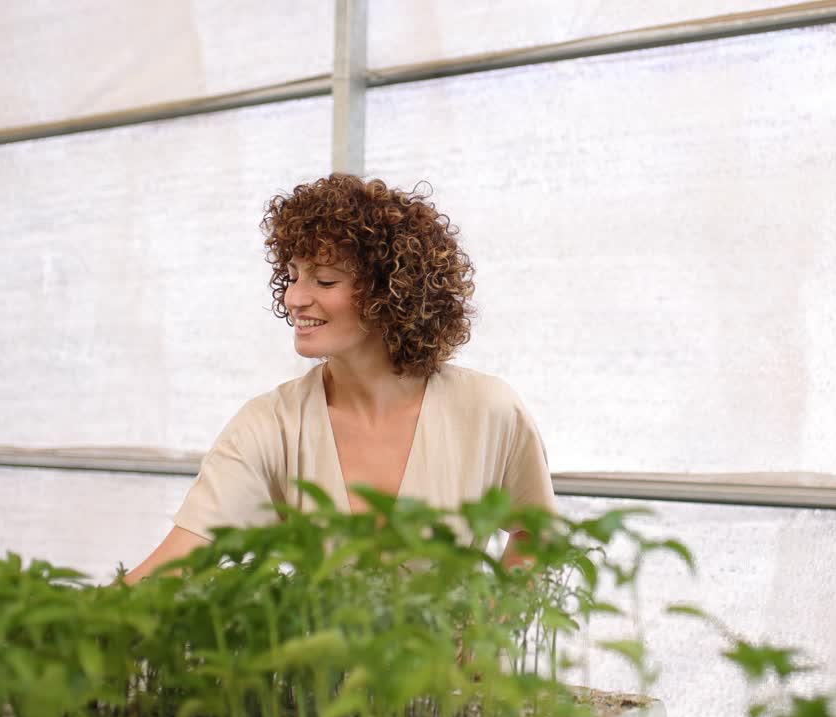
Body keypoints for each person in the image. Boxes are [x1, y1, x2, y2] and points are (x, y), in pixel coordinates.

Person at [124, 174, 556, 584]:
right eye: (292, 276)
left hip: (452, 664)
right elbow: (180, 561)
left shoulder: (486, 409)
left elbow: (536, 533)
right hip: (318, 661)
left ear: (393, 291)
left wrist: (492, 627)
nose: (294, 298)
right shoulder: (272, 424)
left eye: (325, 279)